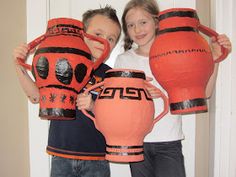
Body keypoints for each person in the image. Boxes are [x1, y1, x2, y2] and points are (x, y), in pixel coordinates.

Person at [114, 0, 232, 177]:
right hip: (136, 142)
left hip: (169, 141)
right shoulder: (123, 60)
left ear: (156, 22)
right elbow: (118, 103)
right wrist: (140, 94)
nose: (137, 30)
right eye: (131, 25)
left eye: (143, 22)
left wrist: (214, 59)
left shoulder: (178, 52)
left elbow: (205, 93)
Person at [13, 5, 121, 177]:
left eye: (111, 38)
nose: (104, 41)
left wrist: (94, 106)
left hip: (97, 157)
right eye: (98, 34)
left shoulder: (110, 75)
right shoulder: (59, 62)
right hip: (61, 154)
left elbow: (116, 116)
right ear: (82, 34)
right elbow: (35, 97)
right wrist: (19, 64)